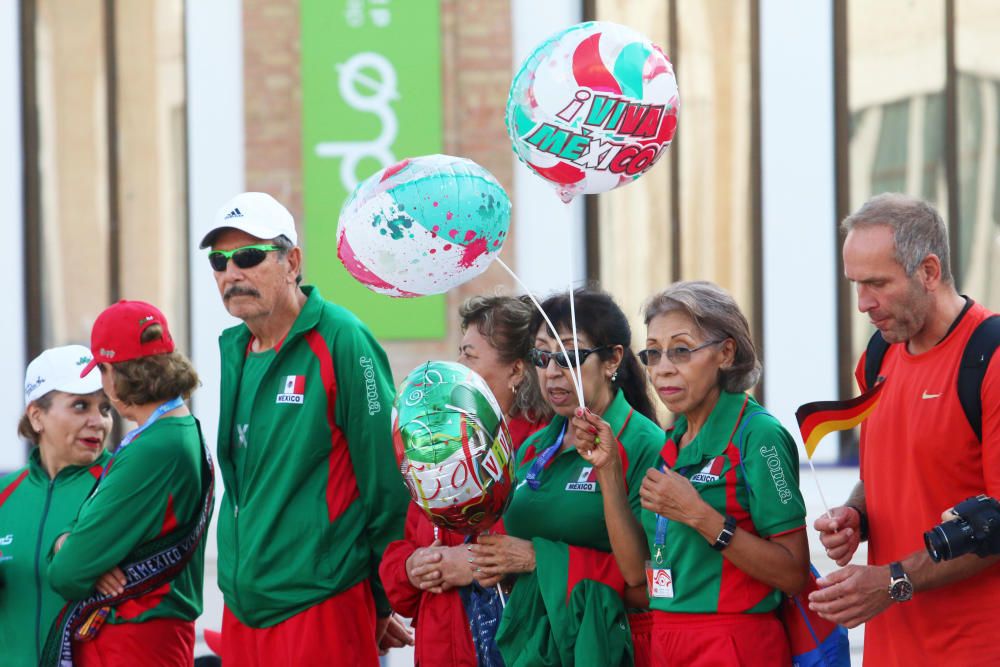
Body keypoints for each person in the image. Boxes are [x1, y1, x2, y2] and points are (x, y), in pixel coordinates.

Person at [201, 191, 411, 665]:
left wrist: (382, 597)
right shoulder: (235, 348)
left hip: (320, 601)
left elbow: (385, 482)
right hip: (244, 605)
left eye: (249, 256)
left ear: (291, 261)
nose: (232, 273)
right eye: (219, 262)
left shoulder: (342, 339)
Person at [575, 281, 809, 665]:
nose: (663, 368)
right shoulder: (671, 442)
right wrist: (610, 471)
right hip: (666, 637)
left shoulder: (759, 435)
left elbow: (792, 572)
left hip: (734, 641)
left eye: (681, 351)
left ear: (725, 353)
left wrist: (700, 516)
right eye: (653, 354)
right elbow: (637, 573)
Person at [810, 193, 1000, 665]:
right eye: (855, 284)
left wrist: (893, 580)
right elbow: (889, 471)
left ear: (929, 272)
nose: (862, 304)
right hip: (890, 649)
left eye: (877, 283)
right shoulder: (878, 357)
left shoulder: (989, 358)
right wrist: (858, 514)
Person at [469, 288, 664, 666]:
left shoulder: (644, 445)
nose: (552, 372)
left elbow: (653, 583)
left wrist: (539, 559)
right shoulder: (535, 446)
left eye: (569, 356)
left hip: (612, 646)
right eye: (542, 356)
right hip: (536, 647)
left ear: (613, 360)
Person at [379, 294, 552, 666]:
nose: (459, 365)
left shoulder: (544, 449)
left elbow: (552, 560)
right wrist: (413, 568)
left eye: (470, 355)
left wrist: (472, 565)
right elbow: (403, 553)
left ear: (517, 371)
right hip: (440, 648)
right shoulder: (443, 442)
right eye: (460, 352)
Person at [46, 300, 213, 666]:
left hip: (133, 642)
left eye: (102, 371)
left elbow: (68, 572)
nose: (103, 387)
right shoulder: (180, 430)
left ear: (119, 372)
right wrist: (73, 548)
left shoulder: (154, 447)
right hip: (151, 638)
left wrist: (69, 549)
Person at [0, 346, 112, 666]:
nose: (98, 421)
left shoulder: (122, 486)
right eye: (80, 405)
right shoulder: (4, 493)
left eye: (105, 407)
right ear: (37, 416)